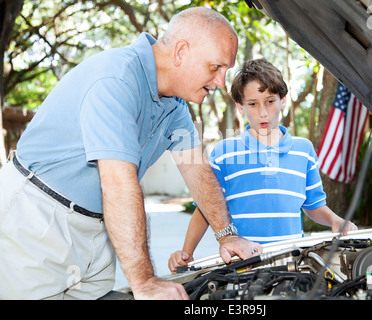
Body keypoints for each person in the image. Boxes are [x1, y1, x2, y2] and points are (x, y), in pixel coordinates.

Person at [0, 7, 261, 300]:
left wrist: (227, 235)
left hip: (96, 231)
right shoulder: (117, 79)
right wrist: (145, 281)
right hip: (37, 220)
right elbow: (118, 182)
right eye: (216, 67)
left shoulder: (174, 105)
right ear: (180, 52)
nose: (221, 82)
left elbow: (195, 168)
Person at [168, 58, 357, 273]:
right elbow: (205, 209)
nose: (263, 112)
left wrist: (335, 220)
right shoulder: (223, 153)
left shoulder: (304, 151)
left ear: (283, 100)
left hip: (292, 265)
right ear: (240, 106)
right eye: (252, 104)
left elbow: (313, 205)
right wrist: (187, 253)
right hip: (241, 266)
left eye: (270, 101)